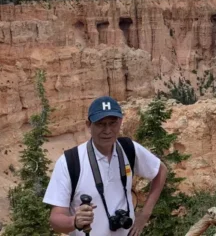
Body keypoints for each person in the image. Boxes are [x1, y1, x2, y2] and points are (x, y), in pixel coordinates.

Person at [44, 96, 168, 235]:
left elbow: (160, 171)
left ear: (120, 122)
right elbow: (56, 219)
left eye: (112, 123)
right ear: (88, 125)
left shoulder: (128, 148)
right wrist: (74, 221)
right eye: (101, 124)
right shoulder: (70, 162)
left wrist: (145, 214)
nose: (107, 130)